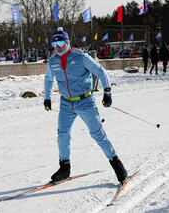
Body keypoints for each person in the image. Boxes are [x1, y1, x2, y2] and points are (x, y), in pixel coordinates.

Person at [44, 27, 128, 184]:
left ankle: (118, 166)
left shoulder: (80, 56)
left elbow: (101, 71)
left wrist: (107, 92)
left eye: (61, 42)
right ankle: (64, 168)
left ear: (67, 42)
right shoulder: (53, 61)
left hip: (85, 101)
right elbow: (49, 80)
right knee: (62, 135)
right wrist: (47, 98)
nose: (58, 46)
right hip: (66, 103)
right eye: (55, 43)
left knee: (97, 134)